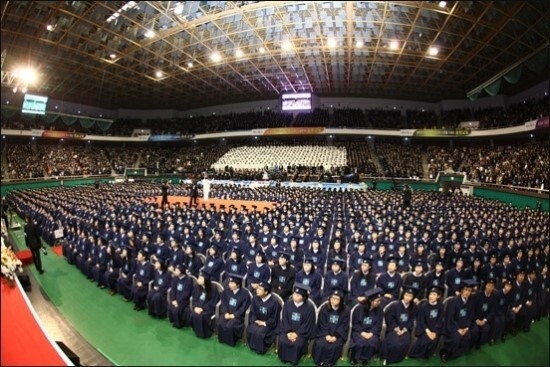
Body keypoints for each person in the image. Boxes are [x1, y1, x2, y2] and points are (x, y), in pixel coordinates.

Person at [278, 283, 317, 366]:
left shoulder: (309, 308)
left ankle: (294, 360)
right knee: (283, 340)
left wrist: (296, 334)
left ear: (304, 297)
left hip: (301, 333)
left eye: (298, 295)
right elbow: (284, 318)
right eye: (295, 294)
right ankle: (284, 358)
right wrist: (288, 332)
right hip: (287, 330)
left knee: (297, 344)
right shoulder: (288, 304)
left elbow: (308, 324)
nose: (295, 296)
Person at [440, 279, 478, 362]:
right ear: (461, 290)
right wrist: (458, 329)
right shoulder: (453, 302)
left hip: (464, 326)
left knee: (467, 336)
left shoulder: (471, 301)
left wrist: (467, 327)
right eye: (465, 290)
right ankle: (445, 352)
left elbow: (471, 315)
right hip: (453, 326)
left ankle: (456, 353)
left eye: (469, 291)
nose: (467, 292)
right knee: (456, 337)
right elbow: (450, 318)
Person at [312, 287, 351, 367]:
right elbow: (322, 323)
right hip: (324, 334)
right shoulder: (324, 308)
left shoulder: (346, 310)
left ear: (341, 300)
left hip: (338, 335)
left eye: (337, 299)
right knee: (321, 344)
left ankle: (330, 363)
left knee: (334, 345)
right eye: (332, 298)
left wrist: (335, 336)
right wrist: (326, 335)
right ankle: (320, 362)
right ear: (329, 298)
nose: (334, 300)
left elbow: (344, 325)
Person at [380, 285, 418, 365]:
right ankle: (387, 357)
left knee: (405, 341)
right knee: (394, 342)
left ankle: (398, 358)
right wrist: (396, 328)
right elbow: (390, 318)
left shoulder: (414, 307)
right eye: (406, 295)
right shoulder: (395, 305)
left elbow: (411, 320)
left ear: (413, 297)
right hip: (394, 329)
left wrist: (404, 329)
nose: (408, 297)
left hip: (405, 329)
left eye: (410, 296)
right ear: (403, 295)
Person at [350, 287, 384, 366]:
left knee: (372, 342)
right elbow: (355, 323)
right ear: (370, 300)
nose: (379, 303)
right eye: (377, 301)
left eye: (380, 301)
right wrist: (362, 332)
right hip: (359, 331)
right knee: (360, 342)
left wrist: (371, 333)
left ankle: (365, 358)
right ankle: (355, 358)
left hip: (372, 332)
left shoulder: (380, 310)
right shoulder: (359, 308)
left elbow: (378, 324)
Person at [408, 285, 445, 359]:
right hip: (424, 329)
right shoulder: (424, 306)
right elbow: (421, 320)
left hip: (435, 329)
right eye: (430, 294)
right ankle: (417, 355)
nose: (431, 296)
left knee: (434, 339)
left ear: (438, 296)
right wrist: (428, 332)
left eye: (434, 295)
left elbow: (439, 320)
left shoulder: (440, 306)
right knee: (425, 341)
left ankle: (428, 354)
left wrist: (434, 332)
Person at [247, 281, 282, 354]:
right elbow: (253, 312)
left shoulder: (274, 303)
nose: (257, 290)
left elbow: (274, 318)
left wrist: (264, 323)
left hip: (268, 325)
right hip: (257, 321)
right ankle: (253, 346)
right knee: (251, 329)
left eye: (260, 289)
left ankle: (261, 349)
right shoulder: (255, 298)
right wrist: (255, 320)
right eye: (257, 288)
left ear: (266, 292)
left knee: (261, 332)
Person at [217, 273, 251, 346]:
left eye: (232, 283)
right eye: (229, 282)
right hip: (227, 313)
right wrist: (225, 312)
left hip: (238, 317)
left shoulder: (245, 294)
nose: (230, 284)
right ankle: (222, 339)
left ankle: (230, 342)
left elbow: (244, 307)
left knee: (230, 325)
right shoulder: (226, 291)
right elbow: (224, 303)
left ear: (238, 285)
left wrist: (234, 315)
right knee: (220, 322)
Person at [189, 270, 220, 338]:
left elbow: (213, 302)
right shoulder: (197, 287)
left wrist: (202, 309)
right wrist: (195, 307)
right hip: (198, 308)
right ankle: (197, 331)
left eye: (200, 278)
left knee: (201, 316)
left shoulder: (213, 288)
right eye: (198, 278)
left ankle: (205, 333)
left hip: (208, 310)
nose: (198, 280)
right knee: (193, 314)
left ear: (205, 279)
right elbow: (194, 298)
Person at [167, 263, 193, 328]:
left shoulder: (188, 280)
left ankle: (180, 324)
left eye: (177, 271)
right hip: (176, 299)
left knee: (177, 309)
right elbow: (173, 290)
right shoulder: (175, 278)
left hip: (184, 301)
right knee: (171, 306)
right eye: (175, 270)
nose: (175, 272)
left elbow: (186, 294)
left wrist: (178, 302)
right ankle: (174, 321)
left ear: (182, 272)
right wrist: (173, 299)